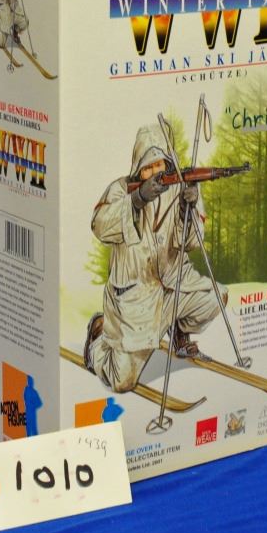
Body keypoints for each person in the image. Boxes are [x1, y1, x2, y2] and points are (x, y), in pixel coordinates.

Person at [84, 124, 228, 393]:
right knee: (121, 382)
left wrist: (187, 210)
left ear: (168, 164)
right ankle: (98, 338)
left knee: (216, 297)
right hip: (137, 301)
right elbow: (99, 226)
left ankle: (178, 331)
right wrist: (137, 199)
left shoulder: (182, 187)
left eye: (159, 165)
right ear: (138, 167)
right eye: (147, 168)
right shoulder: (120, 190)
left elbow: (192, 243)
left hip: (175, 286)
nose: (154, 173)